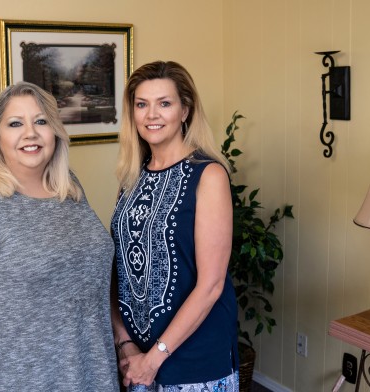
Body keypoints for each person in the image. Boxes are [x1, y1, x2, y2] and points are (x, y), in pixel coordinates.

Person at [0, 81, 120, 391]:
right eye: (15, 123)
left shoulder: (69, 188)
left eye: (41, 121)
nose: (30, 133)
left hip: (90, 373)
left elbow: (91, 285)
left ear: (55, 130)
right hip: (14, 380)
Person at [111, 61, 239, 391]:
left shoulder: (209, 175)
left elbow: (211, 285)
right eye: (142, 104)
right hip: (137, 357)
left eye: (164, 103)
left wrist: (154, 358)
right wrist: (127, 346)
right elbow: (119, 267)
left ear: (185, 110)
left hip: (194, 358)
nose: (151, 114)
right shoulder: (130, 178)